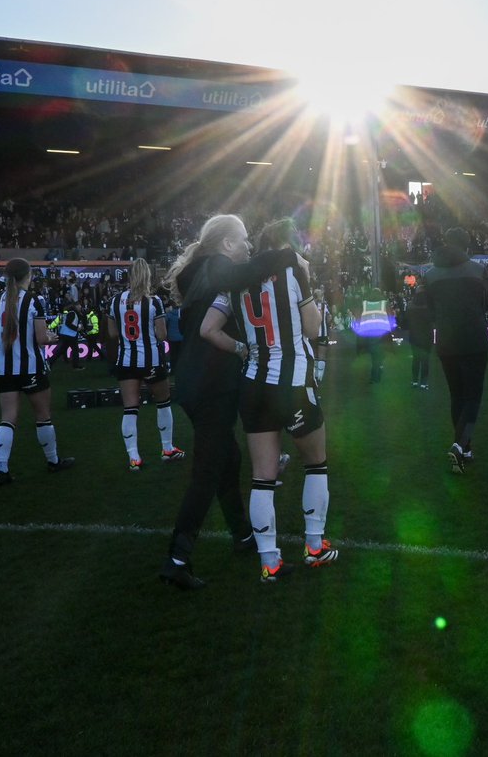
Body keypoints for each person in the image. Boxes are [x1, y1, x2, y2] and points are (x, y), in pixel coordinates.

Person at [158, 214, 297, 590]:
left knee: (227, 460)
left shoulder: (198, 272)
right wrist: (283, 256)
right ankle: (177, 558)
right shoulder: (217, 268)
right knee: (207, 471)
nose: (249, 246)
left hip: (193, 383)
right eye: (244, 240)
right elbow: (243, 274)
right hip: (211, 385)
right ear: (227, 244)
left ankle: (243, 537)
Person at [200, 218, 337, 583]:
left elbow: (207, 329)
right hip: (290, 382)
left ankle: (270, 563)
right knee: (316, 465)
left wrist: (243, 348)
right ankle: (313, 546)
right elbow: (311, 329)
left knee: (263, 477)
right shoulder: (293, 272)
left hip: (252, 384)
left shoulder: (234, 283)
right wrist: (307, 284)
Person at [0, 258, 75, 485]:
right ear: (28, 276)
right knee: (43, 416)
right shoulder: (33, 300)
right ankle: (53, 461)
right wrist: (52, 338)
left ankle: (2, 469)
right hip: (31, 368)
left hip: (4, 368)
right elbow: (40, 337)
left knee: (7, 418)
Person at [421, 227, 488, 474]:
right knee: (473, 397)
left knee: (457, 396)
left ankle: (465, 448)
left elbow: (429, 309)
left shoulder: (430, 274)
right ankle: (460, 445)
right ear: (467, 245)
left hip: (446, 342)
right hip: (474, 339)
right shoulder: (478, 270)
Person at [106, 257, 184, 471]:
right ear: (149, 276)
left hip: (126, 361)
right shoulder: (154, 301)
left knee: (130, 409)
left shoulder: (114, 301)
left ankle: (134, 458)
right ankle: (167, 449)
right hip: (151, 360)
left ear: (129, 277)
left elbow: (112, 333)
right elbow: (161, 334)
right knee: (163, 403)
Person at [405, 283, 434, 389]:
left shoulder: (410, 305)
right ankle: (424, 383)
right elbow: (434, 318)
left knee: (416, 359)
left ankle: (414, 381)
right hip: (427, 336)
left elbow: (405, 321)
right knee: (425, 359)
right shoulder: (430, 305)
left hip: (414, 336)